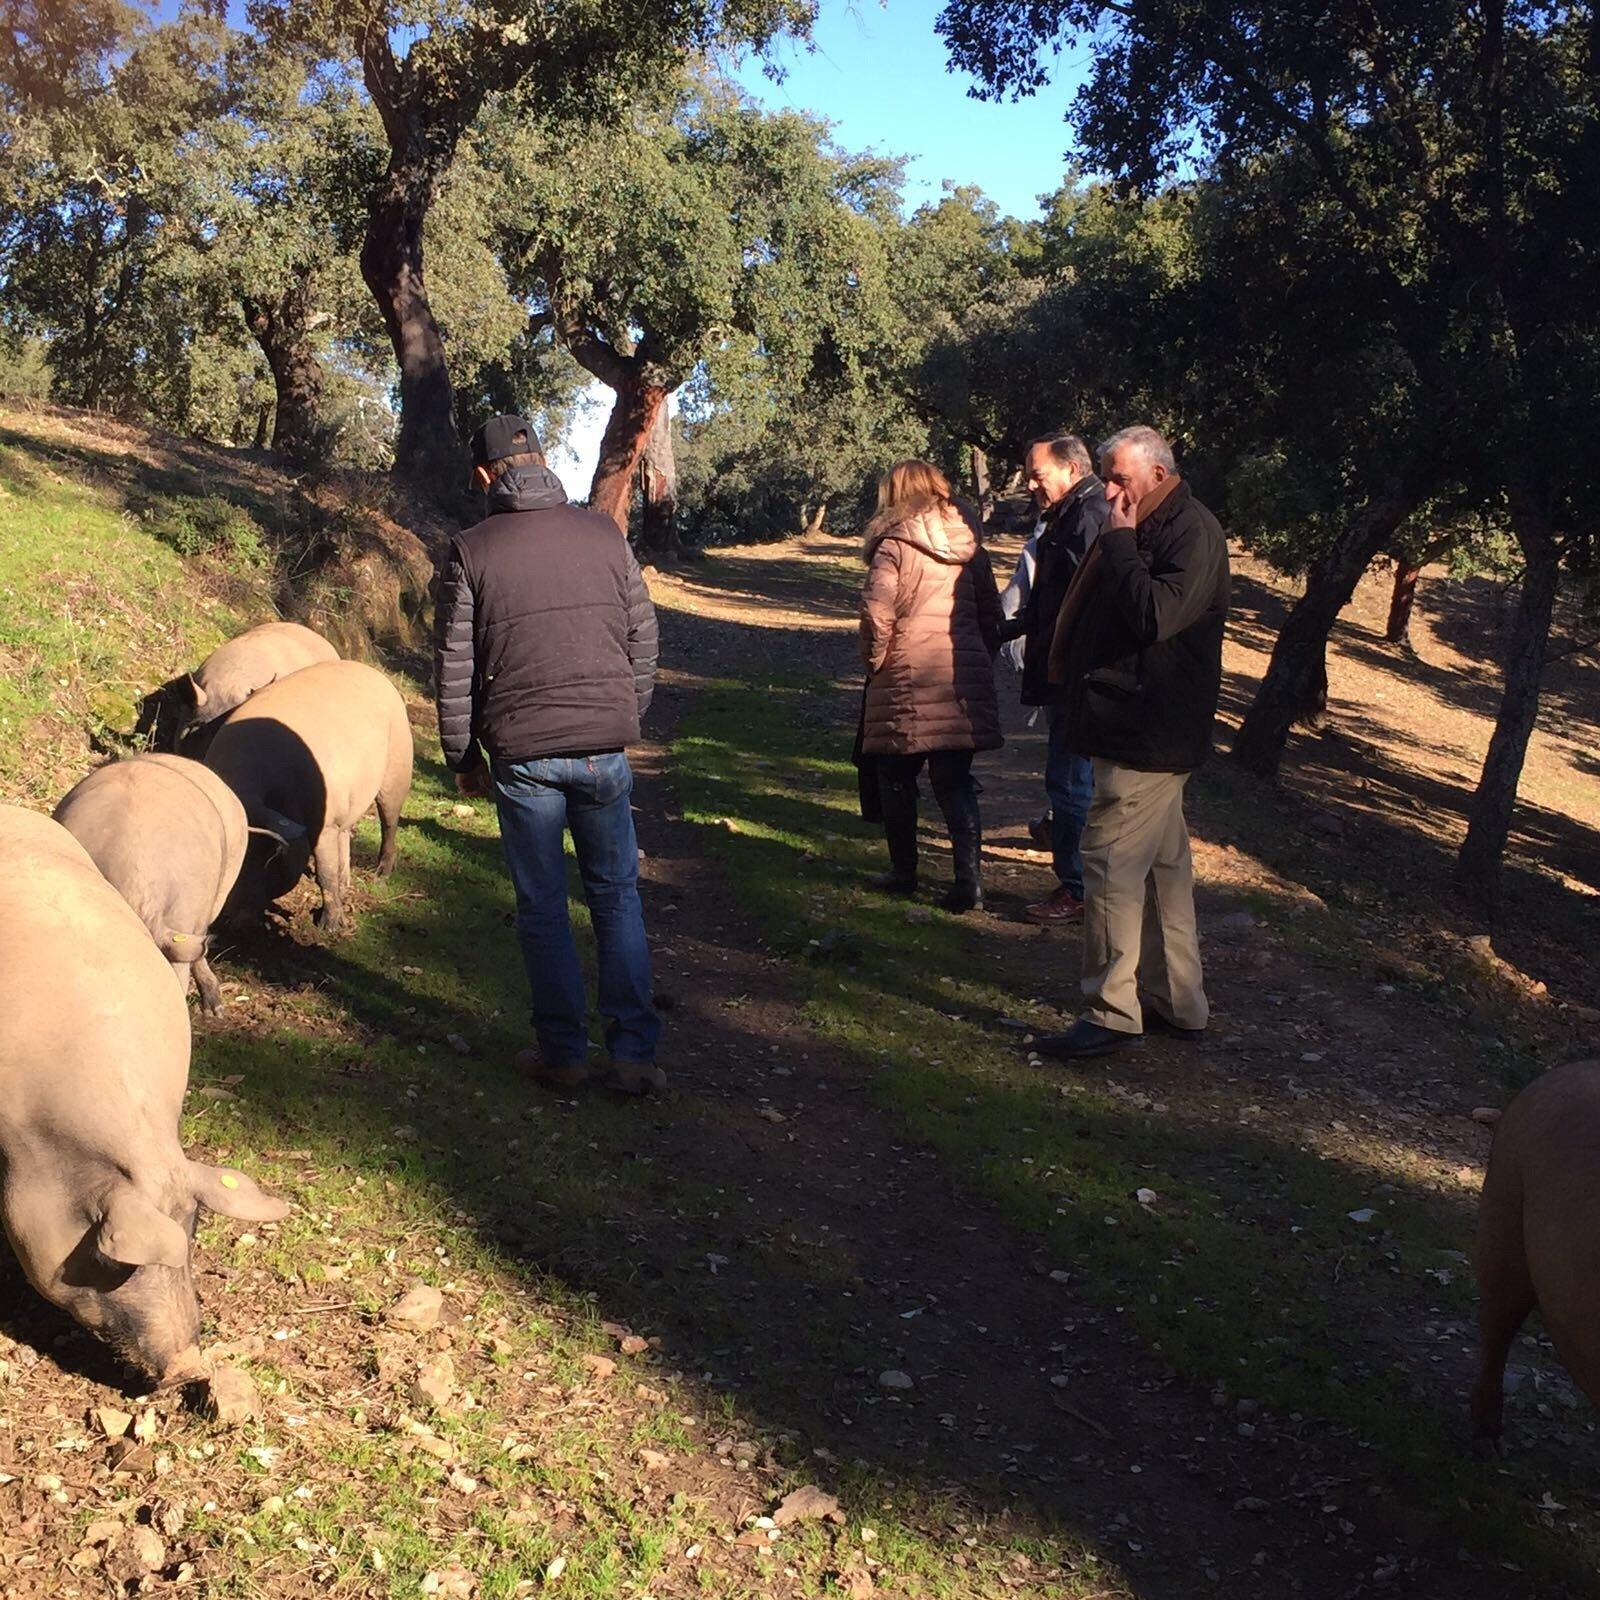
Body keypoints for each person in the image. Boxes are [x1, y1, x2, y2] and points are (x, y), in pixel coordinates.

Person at [433, 414, 664, 1093]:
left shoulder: (470, 549)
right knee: (617, 897)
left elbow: (453, 664)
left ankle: (563, 1053)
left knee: (542, 906)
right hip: (603, 749)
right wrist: (622, 712)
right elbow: (643, 638)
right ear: (540, 457)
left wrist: (461, 756)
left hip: (523, 755)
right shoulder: (602, 532)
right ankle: (633, 1056)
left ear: (483, 474)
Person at [1032, 425, 1230, 1059]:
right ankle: (1179, 1001)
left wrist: (1117, 544)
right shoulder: (1151, 521)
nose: (1112, 489)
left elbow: (1153, 616)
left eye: (1121, 478)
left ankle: (1112, 1011)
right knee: (1164, 873)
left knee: (1112, 867)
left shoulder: (1188, 531)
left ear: (1159, 475)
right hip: (1136, 725)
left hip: (1147, 730)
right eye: (1111, 477)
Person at [859, 459, 1003, 912]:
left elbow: (876, 613)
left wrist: (875, 660)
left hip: (907, 671)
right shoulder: (970, 542)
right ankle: (970, 883)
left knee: (895, 774)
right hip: (960, 671)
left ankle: (904, 872)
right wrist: (981, 657)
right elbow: (990, 612)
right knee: (954, 780)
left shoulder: (894, 542)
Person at [998, 431, 1110, 924]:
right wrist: (1009, 626)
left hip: (1078, 678)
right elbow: (1050, 599)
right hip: (1066, 671)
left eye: (1038, 474)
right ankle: (1082, 883)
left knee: (1070, 784)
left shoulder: (1088, 518)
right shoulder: (1067, 516)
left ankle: (1078, 889)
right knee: (1070, 782)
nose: (1031, 484)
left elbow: (1095, 602)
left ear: (1072, 469)